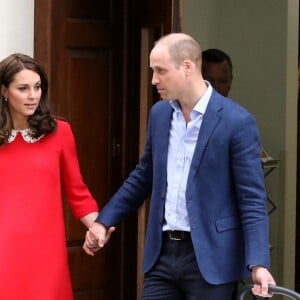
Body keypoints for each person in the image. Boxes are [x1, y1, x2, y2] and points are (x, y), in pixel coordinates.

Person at [83, 33, 276, 299]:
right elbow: (143, 176)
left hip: (211, 259)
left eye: (160, 71)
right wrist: (104, 222)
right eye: (153, 71)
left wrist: (259, 262)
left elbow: (252, 199)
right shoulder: (160, 114)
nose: (153, 80)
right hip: (162, 256)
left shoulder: (237, 122)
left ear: (187, 67)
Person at [0, 53, 99, 300]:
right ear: (4, 91)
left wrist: (98, 226)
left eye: (37, 87)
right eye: (23, 88)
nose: (33, 95)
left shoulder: (60, 133)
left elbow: (78, 192)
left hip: (46, 254)